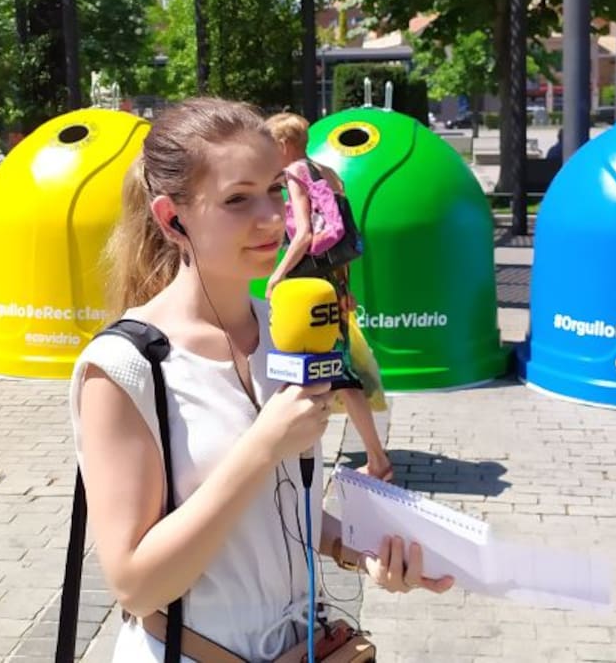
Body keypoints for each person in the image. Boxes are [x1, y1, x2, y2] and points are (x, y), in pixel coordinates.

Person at [71, 98, 452, 662]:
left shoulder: (286, 330)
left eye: (276, 190)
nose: (273, 217)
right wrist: (262, 446)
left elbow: (278, 507)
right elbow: (136, 586)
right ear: (172, 219)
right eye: (237, 199)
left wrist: (357, 550)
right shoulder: (125, 366)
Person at [263, 112, 394, 484]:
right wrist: (345, 288)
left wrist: (277, 275)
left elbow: (305, 234)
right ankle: (363, 456)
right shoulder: (329, 174)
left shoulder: (295, 173)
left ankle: (376, 460)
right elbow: (341, 236)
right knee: (335, 370)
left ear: (283, 144)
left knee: (325, 370)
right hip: (332, 281)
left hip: (309, 283)